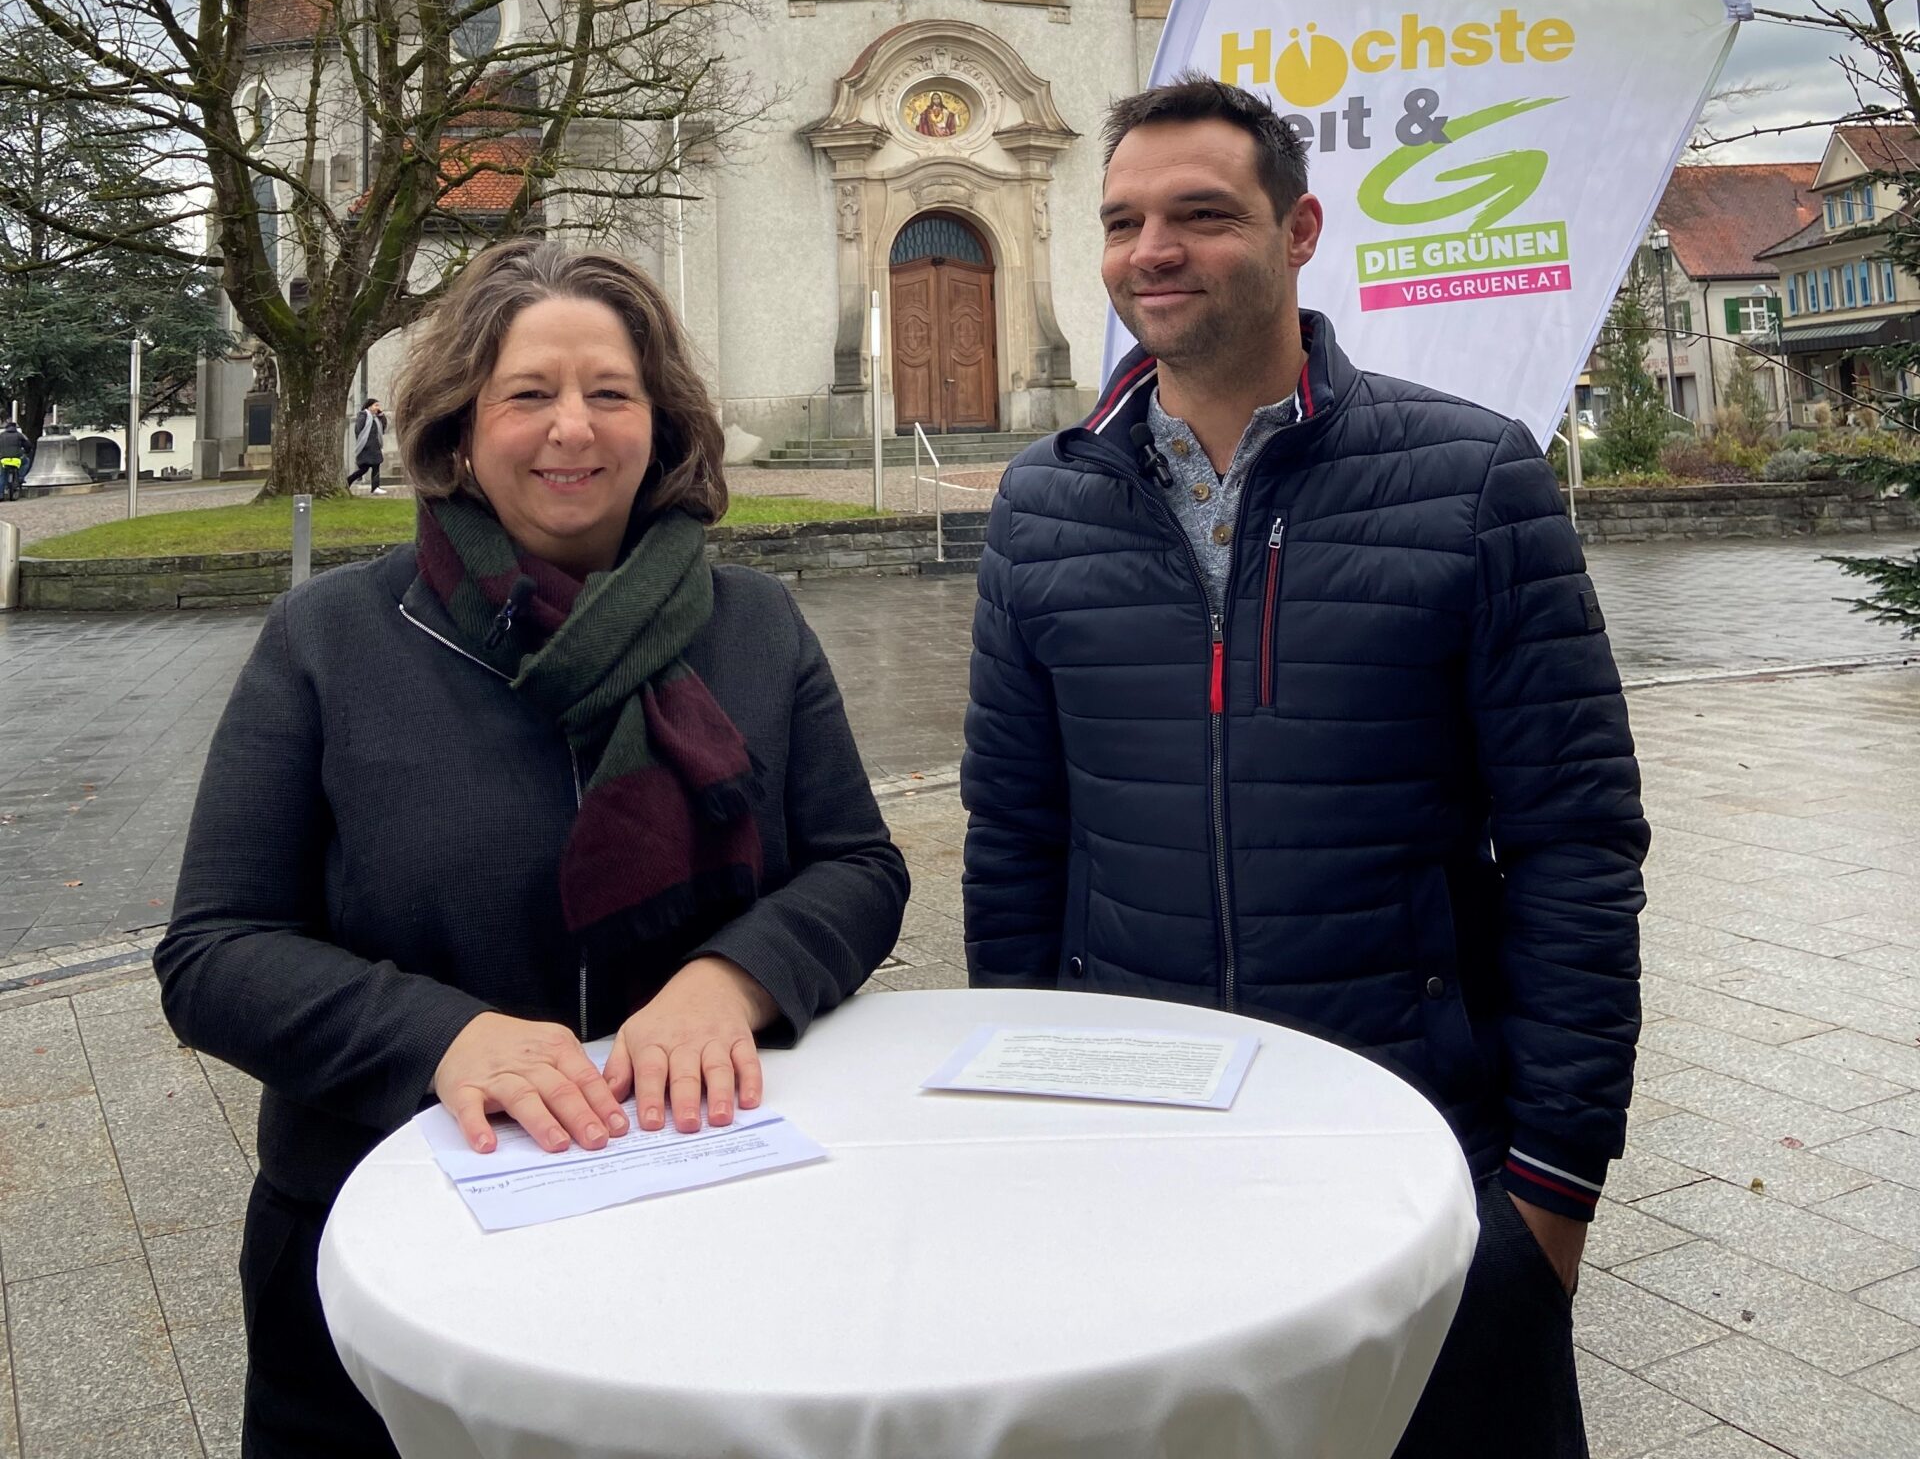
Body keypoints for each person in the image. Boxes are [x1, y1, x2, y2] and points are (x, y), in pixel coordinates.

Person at [962, 76, 1647, 1459]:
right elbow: (1016, 841)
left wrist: (1553, 1188)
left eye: (1203, 214)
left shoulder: (1471, 480)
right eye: (1123, 220)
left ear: (1300, 230)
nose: (1153, 250)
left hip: (1415, 1143)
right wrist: (1033, 1119)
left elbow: (1577, 844)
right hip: (1139, 1144)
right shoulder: (1040, 505)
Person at [158, 237, 909, 1459]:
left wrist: (734, 978)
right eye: (530, 394)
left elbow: (859, 867)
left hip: (702, 1204)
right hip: (389, 1220)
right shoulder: (331, 638)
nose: (575, 428)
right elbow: (214, 952)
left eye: (611, 393)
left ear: (659, 426)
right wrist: (444, 1037)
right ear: (459, 432)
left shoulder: (755, 624)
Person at [345, 395, 385, 493]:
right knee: (364, 469)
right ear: (369, 406)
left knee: (376, 466)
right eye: (376, 405)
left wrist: (382, 416)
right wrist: (366, 443)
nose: (378, 408)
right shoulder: (363, 415)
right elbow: (359, 429)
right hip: (366, 447)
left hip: (374, 447)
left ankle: (375, 487)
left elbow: (383, 428)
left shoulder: (376, 418)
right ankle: (348, 481)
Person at [0, 417, 27, 500]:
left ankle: (0, 494)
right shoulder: (19, 435)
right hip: (16, 460)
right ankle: (21, 477)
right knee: (26, 461)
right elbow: (28, 445)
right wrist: (27, 451)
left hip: (4, 460)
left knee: (2, 475)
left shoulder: (1, 435)